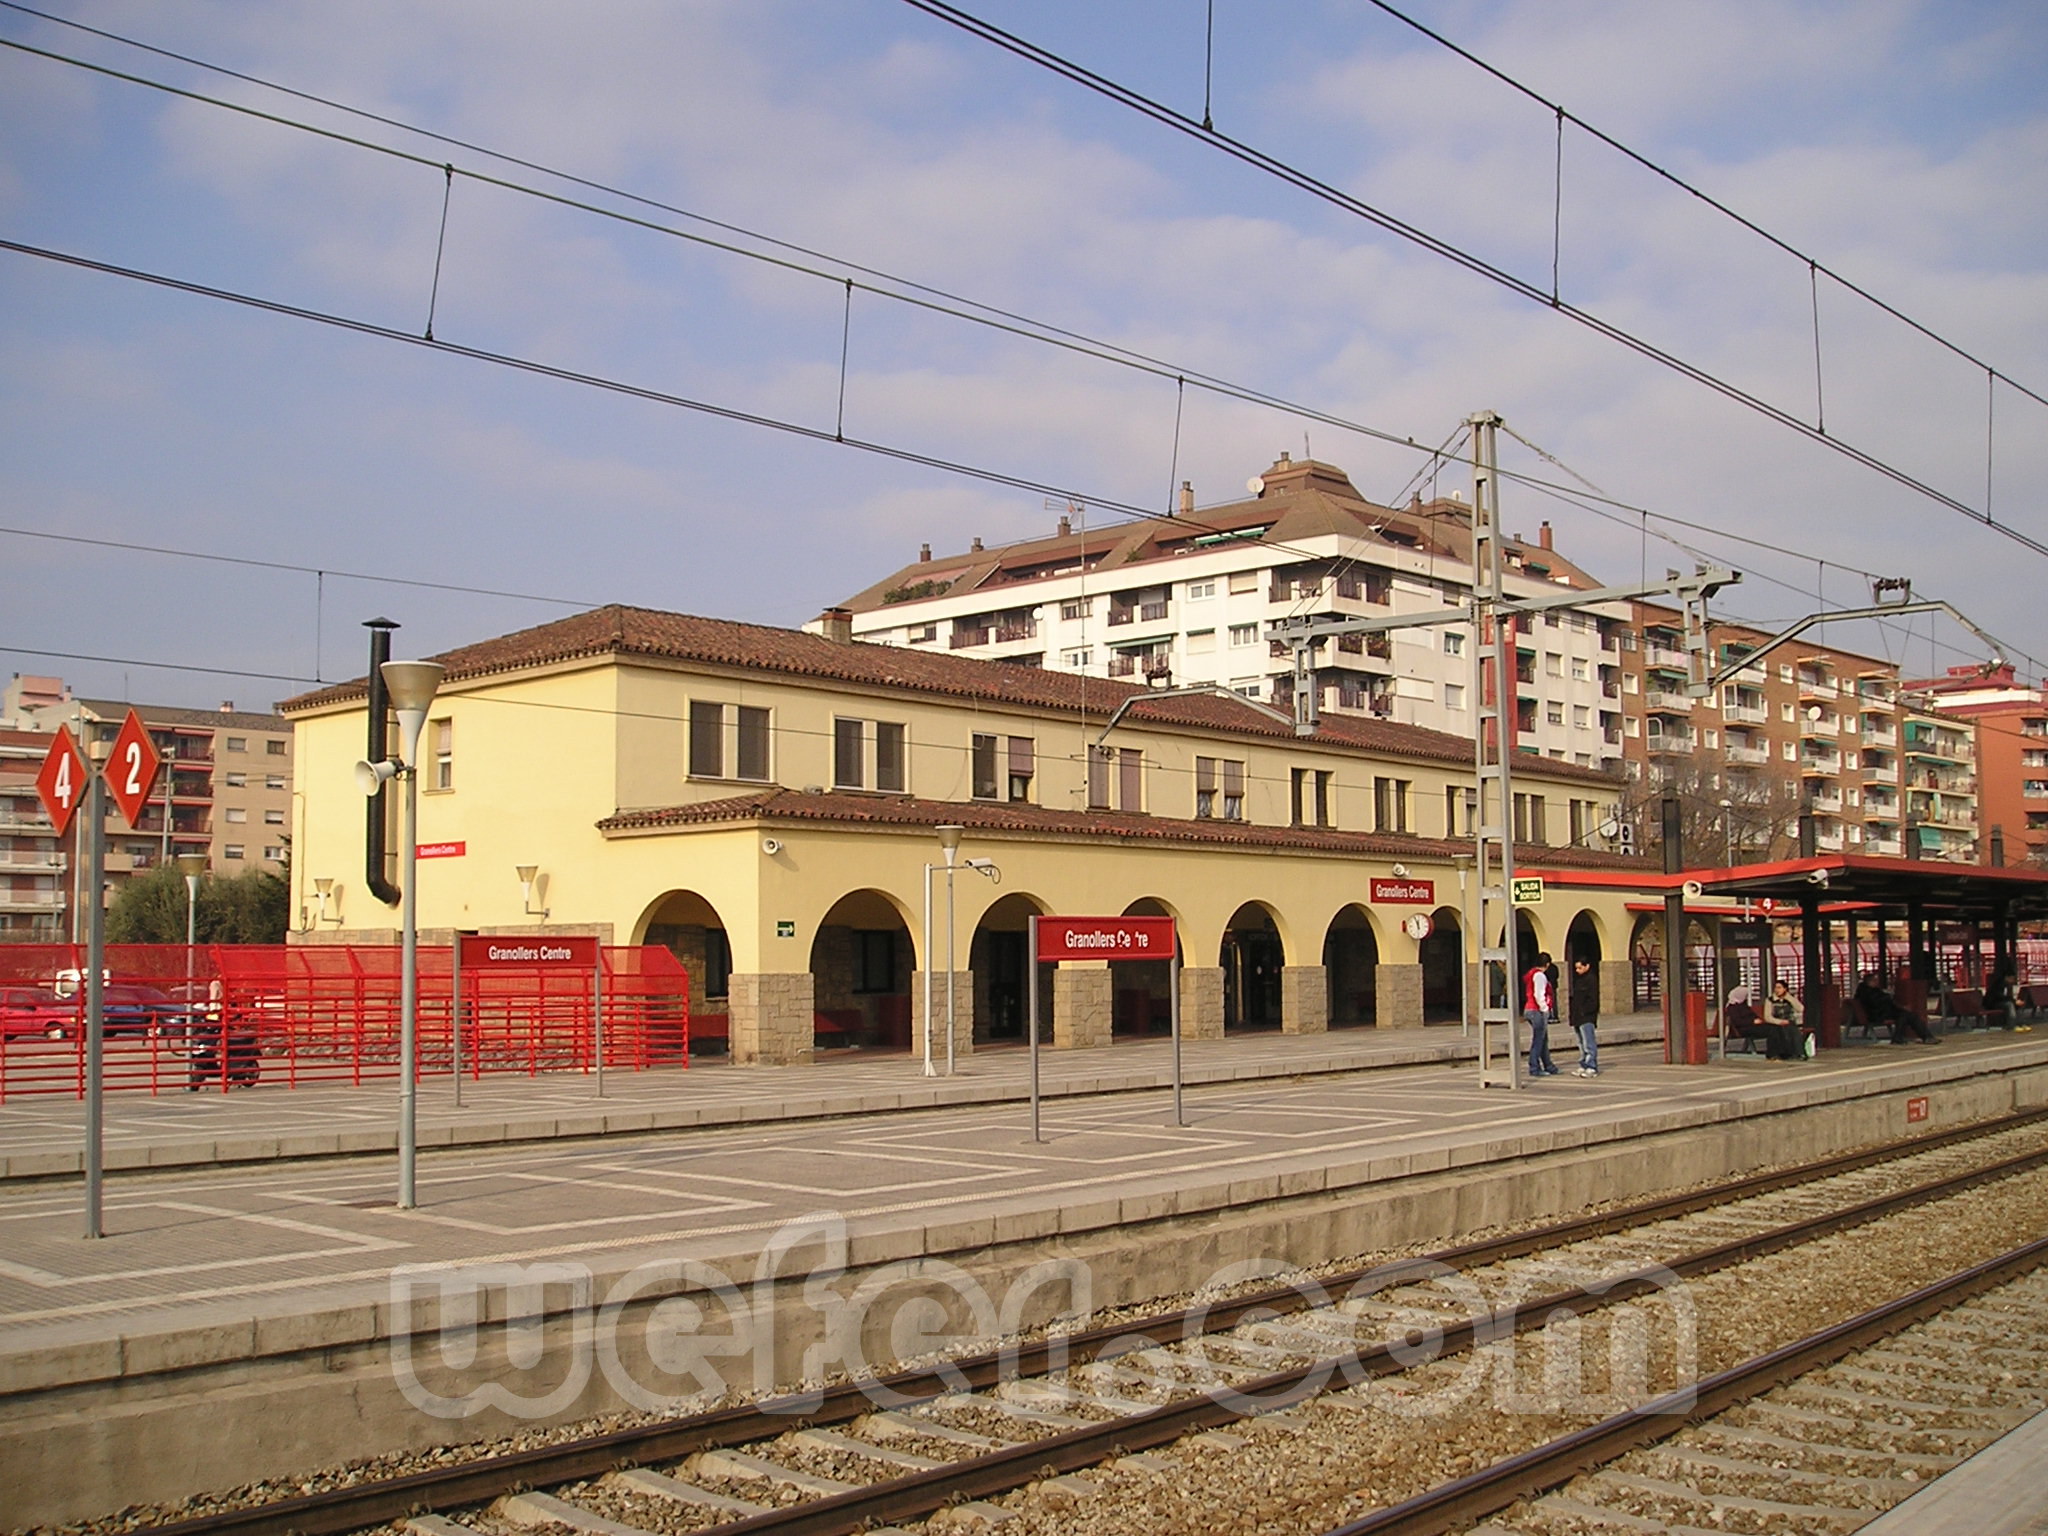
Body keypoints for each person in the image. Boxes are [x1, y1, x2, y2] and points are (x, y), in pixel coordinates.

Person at [1855, 972, 1935, 1044]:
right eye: (1875, 980)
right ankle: (1900, 1037)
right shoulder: (1865, 992)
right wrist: (1889, 999)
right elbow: (1875, 1003)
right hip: (1875, 1014)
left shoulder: (1874, 990)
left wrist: (1898, 1006)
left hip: (1884, 1011)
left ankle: (1926, 1036)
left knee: (1910, 1015)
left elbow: (1886, 1001)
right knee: (1904, 1016)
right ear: (1870, 981)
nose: (1877, 982)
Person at [1523, 952, 1559, 1076]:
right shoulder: (1540, 976)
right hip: (1536, 1010)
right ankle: (1534, 1067)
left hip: (1529, 1009)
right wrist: (1545, 1009)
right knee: (1538, 1040)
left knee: (1543, 1039)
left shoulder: (1531, 974)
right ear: (1547, 964)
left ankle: (1549, 1065)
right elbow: (1539, 994)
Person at [1569, 955, 1601, 1076]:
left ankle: (1591, 1065)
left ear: (1587, 966)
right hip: (1578, 1016)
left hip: (1586, 1016)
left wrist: (1585, 1011)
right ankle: (1583, 1064)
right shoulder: (1578, 980)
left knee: (1588, 1042)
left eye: (1580, 968)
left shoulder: (1591, 979)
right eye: (1576, 968)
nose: (1577, 970)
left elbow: (1593, 1000)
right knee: (1581, 1043)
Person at [1763, 979, 1807, 1061]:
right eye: (1776, 988)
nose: (1777, 990)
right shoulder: (1770, 1000)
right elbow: (1767, 1016)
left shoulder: (1789, 999)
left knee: (1793, 1031)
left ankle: (1798, 1053)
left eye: (1779, 988)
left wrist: (1789, 998)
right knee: (1777, 1031)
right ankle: (1778, 1053)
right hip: (1776, 1022)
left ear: (1785, 989)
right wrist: (1779, 1022)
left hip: (1788, 1021)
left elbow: (1800, 1008)